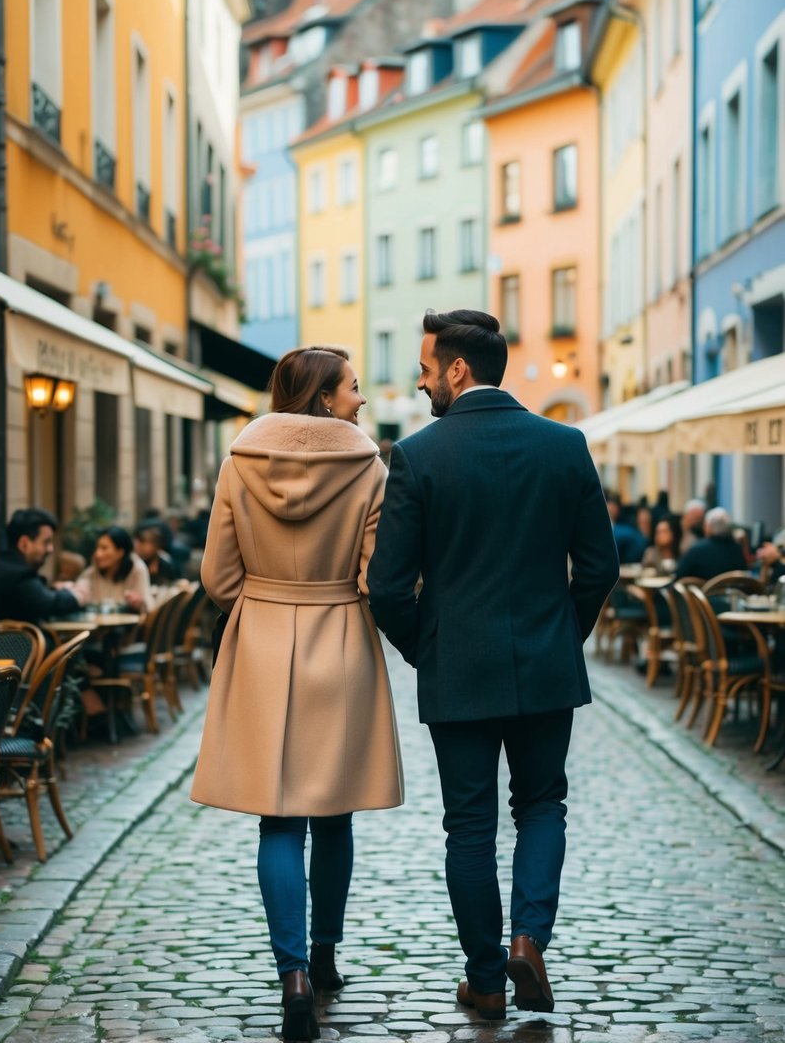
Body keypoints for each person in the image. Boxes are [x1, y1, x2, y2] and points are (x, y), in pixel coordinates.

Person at [367, 309, 619, 1022]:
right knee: (541, 806)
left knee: (469, 827)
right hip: (544, 663)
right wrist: (561, 635)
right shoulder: (564, 445)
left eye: (424, 368)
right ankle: (528, 941)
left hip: (459, 669)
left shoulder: (417, 456)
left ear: (456, 369)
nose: (419, 382)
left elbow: (386, 587)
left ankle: (484, 980)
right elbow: (599, 567)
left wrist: (431, 646)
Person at [191, 346, 403, 1041]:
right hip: (338, 634)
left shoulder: (238, 461)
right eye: (351, 387)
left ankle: (291, 976)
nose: (361, 399)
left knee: (277, 819)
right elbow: (377, 578)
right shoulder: (369, 468)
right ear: (320, 398)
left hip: (260, 641)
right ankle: (325, 954)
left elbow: (217, 576)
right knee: (333, 811)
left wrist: (261, 605)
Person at [0, 507, 84, 623]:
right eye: (46, 542)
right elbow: (49, 605)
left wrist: (56, 589)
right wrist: (77, 595)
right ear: (24, 544)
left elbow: (33, 597)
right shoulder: (20, 575)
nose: (51, 549)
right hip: (17, 641)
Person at [75, 526, 152, 614]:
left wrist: (139, 603)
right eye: (97, 548)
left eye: (104, 548)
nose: (97, 554)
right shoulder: (94, 570)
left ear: (120, 552)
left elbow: (148, 608)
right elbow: (80, 590)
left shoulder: (137, 569)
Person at [674, 507, 746, 581]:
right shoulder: (737, 549)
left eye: (705, 525)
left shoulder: (697, 550)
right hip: (734, 592)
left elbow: (679, 576)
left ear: (709, 526)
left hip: (704, 592)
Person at [606, 492, 648, 564]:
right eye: (609, 505)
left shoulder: (627, 529)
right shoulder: (624, 529)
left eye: (613, 506)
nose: (611, 508)